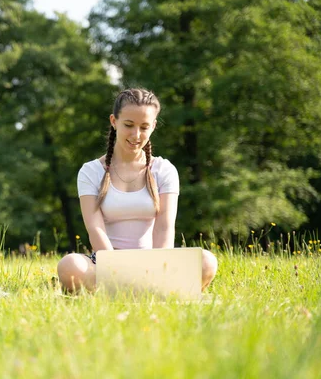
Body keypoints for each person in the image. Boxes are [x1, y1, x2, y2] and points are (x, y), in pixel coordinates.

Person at [57, 88, 217, 293]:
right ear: (114, 121)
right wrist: (118, 270)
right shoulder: (91, 171)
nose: (136, 135)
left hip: (154, 263)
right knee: (70, 266)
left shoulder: (164, 170)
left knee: (206, 261)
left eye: (144, 127)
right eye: (129, 125)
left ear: (154, 126)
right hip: (107, 264)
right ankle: (144, 291)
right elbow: (95, 228)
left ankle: (129, 291)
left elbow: (164, 228)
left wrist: (158, 269)